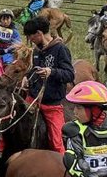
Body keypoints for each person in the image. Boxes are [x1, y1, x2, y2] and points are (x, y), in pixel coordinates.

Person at [22, 16, 74, 153]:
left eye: (31, 36)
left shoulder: (60, 49)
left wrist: (52, 72)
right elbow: (34, 69)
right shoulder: (36, 50)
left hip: (51, 103)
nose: (30, 40)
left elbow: (69, 74)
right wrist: (26, 78)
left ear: (39, 33)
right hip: (32, 99)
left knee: (57, 143)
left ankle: (63, 169)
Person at [0, 9, 22, 78]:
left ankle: (7, 80)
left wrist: (3, 51)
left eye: (7, 19)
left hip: (9, 53)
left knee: (8, 66)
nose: (5, 21)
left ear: (11, 19)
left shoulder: (14, 31)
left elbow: (17, 45)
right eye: (3, 19)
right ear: (0, 20)